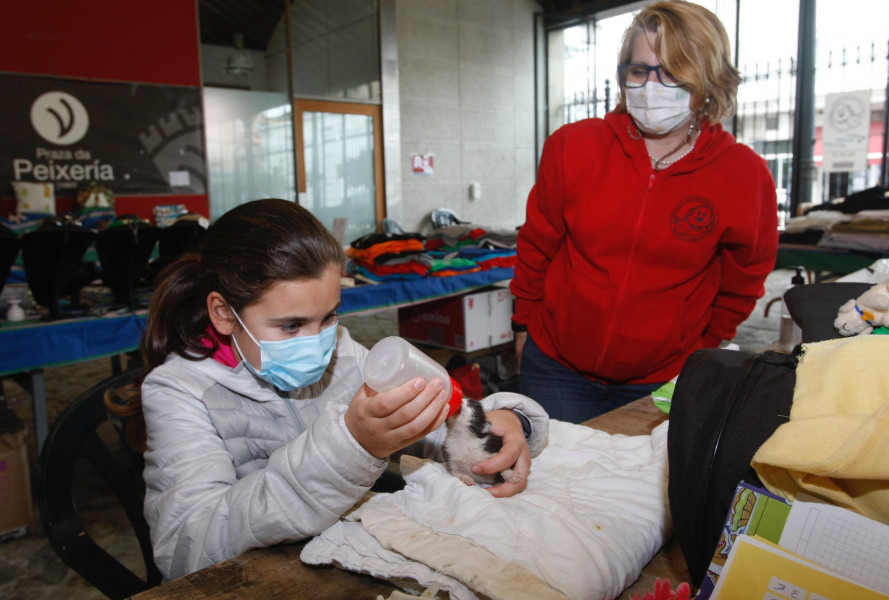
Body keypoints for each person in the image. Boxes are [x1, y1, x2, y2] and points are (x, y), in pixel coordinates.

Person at [138, 199, 549, 579]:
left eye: (329, 315)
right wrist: (353, 448)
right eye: (292, 326)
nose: (318, 341)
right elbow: (184, 549)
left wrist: (504, 424)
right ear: (224, 314)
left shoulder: (342, 352)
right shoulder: (178, 392)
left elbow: (435, 420)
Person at [510, 0, 778, 422]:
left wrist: (705, 349)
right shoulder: (573, 145)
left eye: (672, 71)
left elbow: (744, 278)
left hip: (663, 379)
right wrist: (523, 323)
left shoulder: (743, 174)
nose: (652, 86)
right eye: (639, 70)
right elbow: (538, 242)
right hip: (555, 367)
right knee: (554, 484)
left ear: (707, 79)